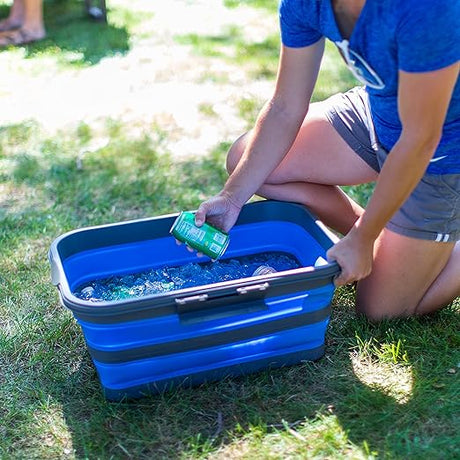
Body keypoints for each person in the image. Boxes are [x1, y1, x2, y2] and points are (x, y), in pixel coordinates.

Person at [194, 0, 460, 321]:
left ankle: (387, 240)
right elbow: (285, 106)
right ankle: (382, 238)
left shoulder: (428, 9)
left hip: (441, 151)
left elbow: (420, 139)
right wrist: (232, 197)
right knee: (247, 162)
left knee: (380, 312)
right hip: (380, 113)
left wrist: (363, 237)